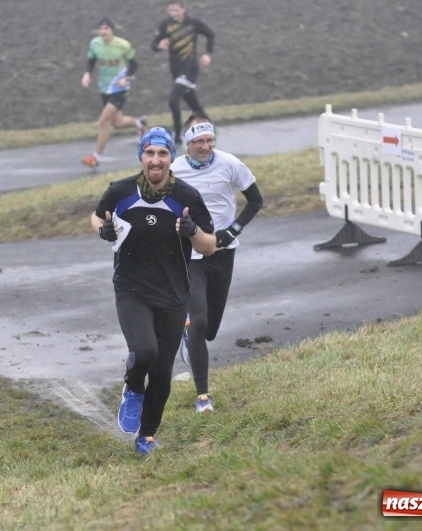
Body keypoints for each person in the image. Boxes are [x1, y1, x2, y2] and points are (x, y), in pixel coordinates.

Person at [90, 127, 216, 455]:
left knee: (162, 371)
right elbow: (96, 216)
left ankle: (145, 437)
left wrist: (193, 232)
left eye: (162, 154)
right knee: (145, 352)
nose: (156, 160)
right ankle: (132, 388)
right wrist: (103, 230)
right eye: (149, 153)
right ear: (141, 157)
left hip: (174, 296)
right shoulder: (121, 191)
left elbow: (210, 245)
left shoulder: (186, 197)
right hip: (131, 288)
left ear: (171, 158)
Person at [171, 113, 264, 413]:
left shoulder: (230, 163)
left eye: (210, 139)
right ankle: (203, 397)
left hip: (223, 251)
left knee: (209, 330)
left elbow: (256, 200)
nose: (205, 146)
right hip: (189, 255)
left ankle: (191, 336)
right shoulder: (174, 171)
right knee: (198, 323)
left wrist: (232, 231)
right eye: (199, 141)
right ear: (188, 143)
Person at [81, 17, 149, 168]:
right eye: (101, 29)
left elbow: (134, 64)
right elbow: (91, 60)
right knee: (117, 123)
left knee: (104, 121)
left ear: (112, 30)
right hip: (105, 87)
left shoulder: (122, 45)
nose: (103, 31)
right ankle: (140, 123)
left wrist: (126, 78)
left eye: (106, 29)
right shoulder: (95, 44)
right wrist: (87, 74)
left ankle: (95, 157)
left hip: (120, 87)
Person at [150, 1, 214, 144]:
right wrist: (159, 46)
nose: (174, 13)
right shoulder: (165, 25)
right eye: (171, 11)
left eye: (176, 10)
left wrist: (208, 54)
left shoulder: (194, 23)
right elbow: (153, 45)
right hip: (176, 70)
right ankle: (209, 128)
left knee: (173, 101)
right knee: (193, 104)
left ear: (184, 9)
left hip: (190, 69)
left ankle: (178, 137)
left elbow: (210, 35)